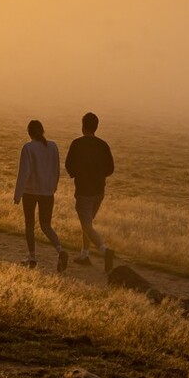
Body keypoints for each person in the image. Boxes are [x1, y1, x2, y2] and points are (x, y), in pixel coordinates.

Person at [13, 119, 68, 271]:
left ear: (29, 133)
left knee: (30, 223)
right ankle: (60, 250)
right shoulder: (53, 147)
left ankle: (32, 257)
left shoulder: (28, 148)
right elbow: (56, 169)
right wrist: (53, 187)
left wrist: (17, 194)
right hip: (47, 192)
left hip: (30, 192)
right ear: (42, 131)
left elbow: (24, 173)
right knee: (46, 225)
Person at [64, 111, 115, 272]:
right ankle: (85, 254)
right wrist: (99, 176)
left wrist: (77, 174)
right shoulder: (103, 145)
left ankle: (104, 251)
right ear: (96, 127)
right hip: (99, 191)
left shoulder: (77, 144)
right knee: (87, 224)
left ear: (82, 125)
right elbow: (111, 168)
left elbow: (68, 165)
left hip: (84, 191)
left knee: (86, 225)